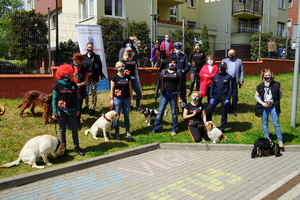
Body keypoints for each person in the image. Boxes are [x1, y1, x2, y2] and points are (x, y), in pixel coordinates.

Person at [52, 64, 85, 156]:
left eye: (68, 74)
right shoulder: (57, 85)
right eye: (64, 74)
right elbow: (54, 99)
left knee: (75, 129)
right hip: (61, 110)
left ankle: (76, 147)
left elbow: (77, 98)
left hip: (72, 110)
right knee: (62, 130)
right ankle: (63, 148)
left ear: (70, 74)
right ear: (60, 75)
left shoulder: (74, 85)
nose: (66, 76)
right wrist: (54, 112)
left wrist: (78, 109)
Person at [149, 58, 182, 136]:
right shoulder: (164, 71)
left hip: (174, 94)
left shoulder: (178, 72)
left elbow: (181, 85)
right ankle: (156, 128)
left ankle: (174, 129)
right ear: (168, 63)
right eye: (170, 62)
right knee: (160, 112)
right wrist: (155, 93)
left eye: (174, 62)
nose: (172, 64)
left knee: (174, 113)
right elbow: (159, 83)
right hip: (164, 94)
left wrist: (181, 96)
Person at [254, 69, 284, 151]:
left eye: (269, 75)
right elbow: (256, 96)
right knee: (265, 123)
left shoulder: (277, 84)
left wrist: (274, 102)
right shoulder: (260, 86)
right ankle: (267, 139)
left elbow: (280, 95)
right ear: (263, 76)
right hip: (264, 107)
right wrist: (262, 103)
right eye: (266, 75)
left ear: (272, 75)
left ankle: (280, 140)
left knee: (276, 123)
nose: (268, 77)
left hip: (273, 106)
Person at [206, 62, 232, 133]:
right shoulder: (216, 76)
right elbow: (212, 87)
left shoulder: (228, 77)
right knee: (208, 110)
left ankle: (222, 128)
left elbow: (230, 89)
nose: (222, 69)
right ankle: (209, 124)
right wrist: (211, 97)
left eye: (224, 67)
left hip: (224, 97)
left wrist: (228, 98)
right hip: (215, 97)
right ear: (219, 68)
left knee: (224, 113)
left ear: (226, 68)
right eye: (221, 67)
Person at [110, 61, 134, 140]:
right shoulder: (114, 78)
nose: (121, 68)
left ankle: (127, 131)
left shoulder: (128, 77)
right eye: (119, 67)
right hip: (117, 99)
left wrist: (131, 98)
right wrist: (111, 99)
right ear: (116, 68)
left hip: (126, 99)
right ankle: (117, 133)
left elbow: (130, 88)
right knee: (116, 117)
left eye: (122, 66)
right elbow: (112, 89)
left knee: (126, 116)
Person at [82, 42, 106, 116]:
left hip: (94, 78)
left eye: (91, 47)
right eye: (88, 47)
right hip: (86, 78)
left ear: (93, 48)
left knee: (93, 93)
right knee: (85, 92)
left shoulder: (97, 57)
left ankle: (93, 108)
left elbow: (100, 67)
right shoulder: (83, 57)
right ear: (86, 48)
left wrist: (100, 74)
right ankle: (86, 106)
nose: (90, 48)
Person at [70, 53, 90, 130]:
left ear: (81, 61)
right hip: (70, 91)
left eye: (78, 62)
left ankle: (77, 123)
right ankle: (70, 122)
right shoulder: (69, 67)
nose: (76, 64)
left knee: (78, 107)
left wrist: (80, 84)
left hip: (79, 91)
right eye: (75, 62)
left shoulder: (85, 70)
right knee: (71, 106)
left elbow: (86, 81)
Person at [222, 49, 244, 116]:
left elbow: (242, 71)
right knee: (226, 95)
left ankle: (234, 109)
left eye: (233, 53)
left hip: (234, 80)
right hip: (226, 80)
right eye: (230, 53)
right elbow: (221, 70)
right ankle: (228, 109)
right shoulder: (224, 61)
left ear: (235, 54)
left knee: (234, 95)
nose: (231, 54)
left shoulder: (239, 61)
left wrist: (241, 80)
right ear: (227, 54)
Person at [170, 42, 190, 111]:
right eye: (176, 48)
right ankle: (175, 109)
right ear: (174, 49)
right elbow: (168, 66)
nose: (177, 49)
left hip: (182, 78)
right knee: (174, 95)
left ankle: (184, 109)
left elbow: (188, 67)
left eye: (178, 48)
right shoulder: (172, 57)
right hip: (174, 79)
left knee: (183, 95)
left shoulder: (184, 57)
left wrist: (182, 71)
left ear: (181, 48)